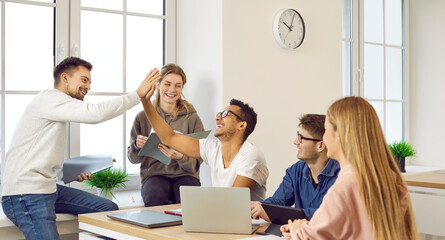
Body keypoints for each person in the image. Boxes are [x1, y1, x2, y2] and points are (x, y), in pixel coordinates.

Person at [1, 57, 160, 240]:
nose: (88, 87)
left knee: (107, 209)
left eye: (90, 82)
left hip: (48, 189)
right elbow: (95, 113)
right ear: (65, 78)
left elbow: (40, 158)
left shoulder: (57, 106)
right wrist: (137, 95)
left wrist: (68, 172)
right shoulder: (49, 98)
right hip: (25, 194)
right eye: (84, 80)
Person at [280, 96, 418, 240]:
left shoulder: (347, 183)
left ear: (340, 135)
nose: (324, 138)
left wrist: (298, 230)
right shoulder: (388, 177)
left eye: (326, 129)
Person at [139, 83, 268, 200]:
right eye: (219, 113)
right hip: (223, 219)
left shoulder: (251, 155)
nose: (217, 117)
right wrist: (145, 101)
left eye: (225, 114)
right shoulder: (212, 148)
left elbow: (233, 201)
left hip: (250, 224)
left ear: (241, 125)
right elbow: (170, 137)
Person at [127, 63, 204, 207]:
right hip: (154, 175)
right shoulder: (142, 117)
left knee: (188, 200)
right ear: (158, 85)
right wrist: (137, 146)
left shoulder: (192, 118)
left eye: (178, 85)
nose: (172, 90)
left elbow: (196, 163)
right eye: (167, 84)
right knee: (155, 196)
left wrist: (180, 157)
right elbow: (133, 159)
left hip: (185, 175)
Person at [251, 114, 339, 221]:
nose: (295, 142)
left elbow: (329, 215)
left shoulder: (342, 175)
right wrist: (261, 207)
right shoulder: (296, 170)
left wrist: (279, 214)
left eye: (301, 138)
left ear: (320, 146)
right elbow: (279, 201)